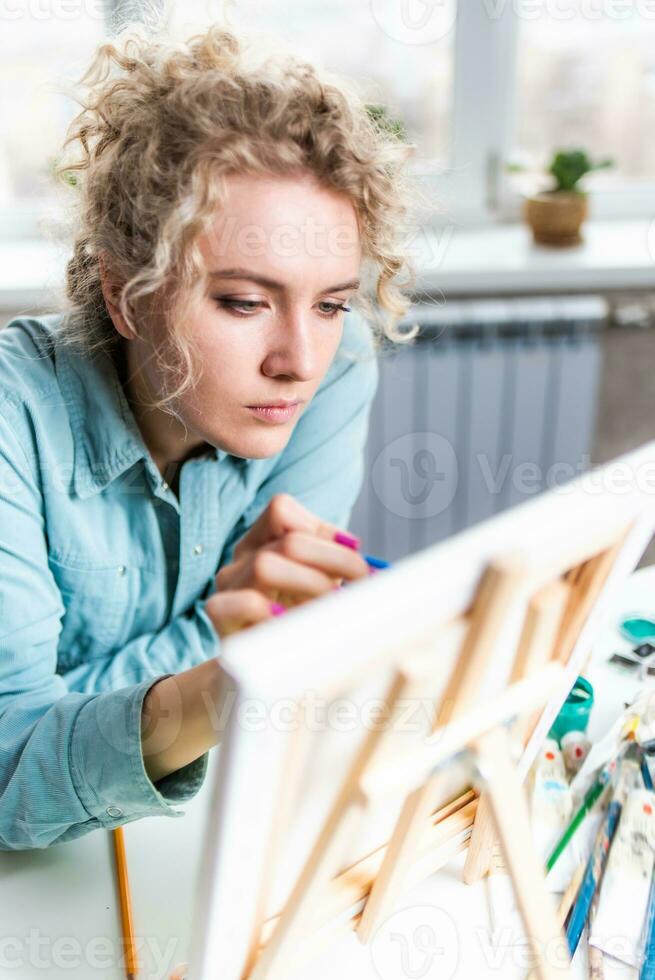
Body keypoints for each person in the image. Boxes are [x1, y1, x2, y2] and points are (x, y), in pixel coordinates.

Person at [0, 19, 421, 850]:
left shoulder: (336, 374)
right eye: (242, 302)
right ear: (125, 295)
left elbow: (267, 625)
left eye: (332, 302)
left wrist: (78, 708)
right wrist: (218, 686)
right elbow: (12, 770)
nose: (298, 360)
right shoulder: (16, 416)